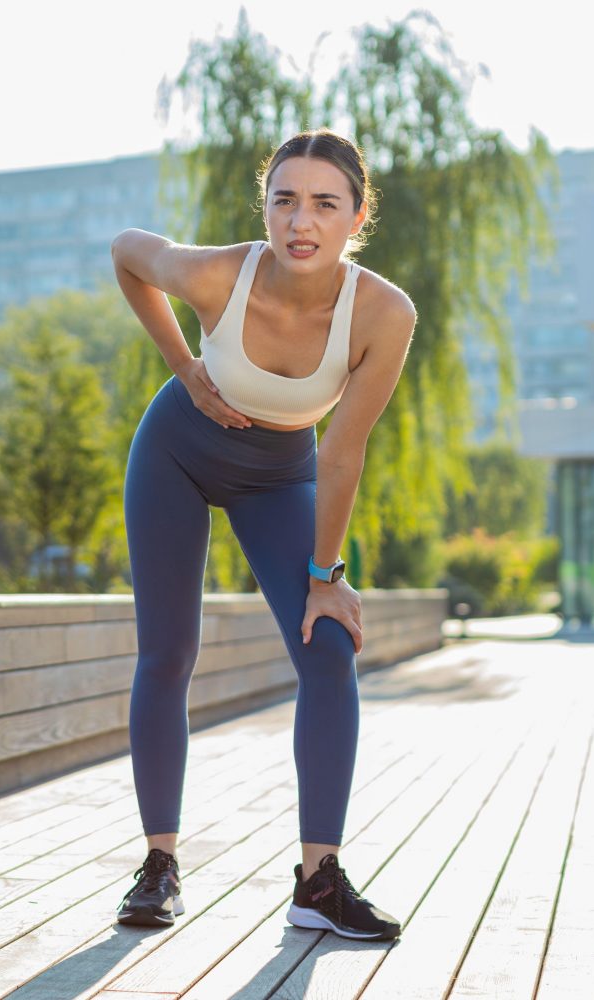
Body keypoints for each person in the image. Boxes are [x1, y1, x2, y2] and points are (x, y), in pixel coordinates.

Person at [108, 128, 415, 941]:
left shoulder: (383, 312)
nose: (300, 219)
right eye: (284, 199)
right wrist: (184, 369)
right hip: (176, 451)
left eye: (324, 203)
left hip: (283, 473)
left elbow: (342, 450)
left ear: (356, 216)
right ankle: (159, 865)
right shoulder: (219, 274)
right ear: (266, 207)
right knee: (167, 652)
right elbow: (128, 252)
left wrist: (326, 572)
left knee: (328, 647)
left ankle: (318, 883)